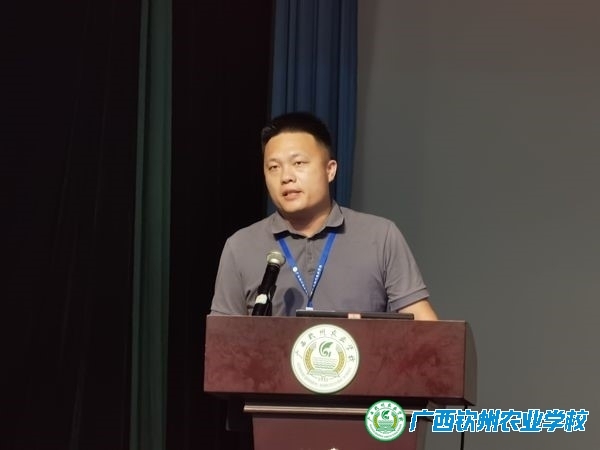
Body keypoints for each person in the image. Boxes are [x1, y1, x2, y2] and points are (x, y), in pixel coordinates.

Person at [210, 111, 438, 320]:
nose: (286, 177)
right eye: (274, 167)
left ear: (330, 170)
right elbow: (223, 341)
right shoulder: (240, 247)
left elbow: (425, 329)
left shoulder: (380, 236)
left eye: (298, 163)